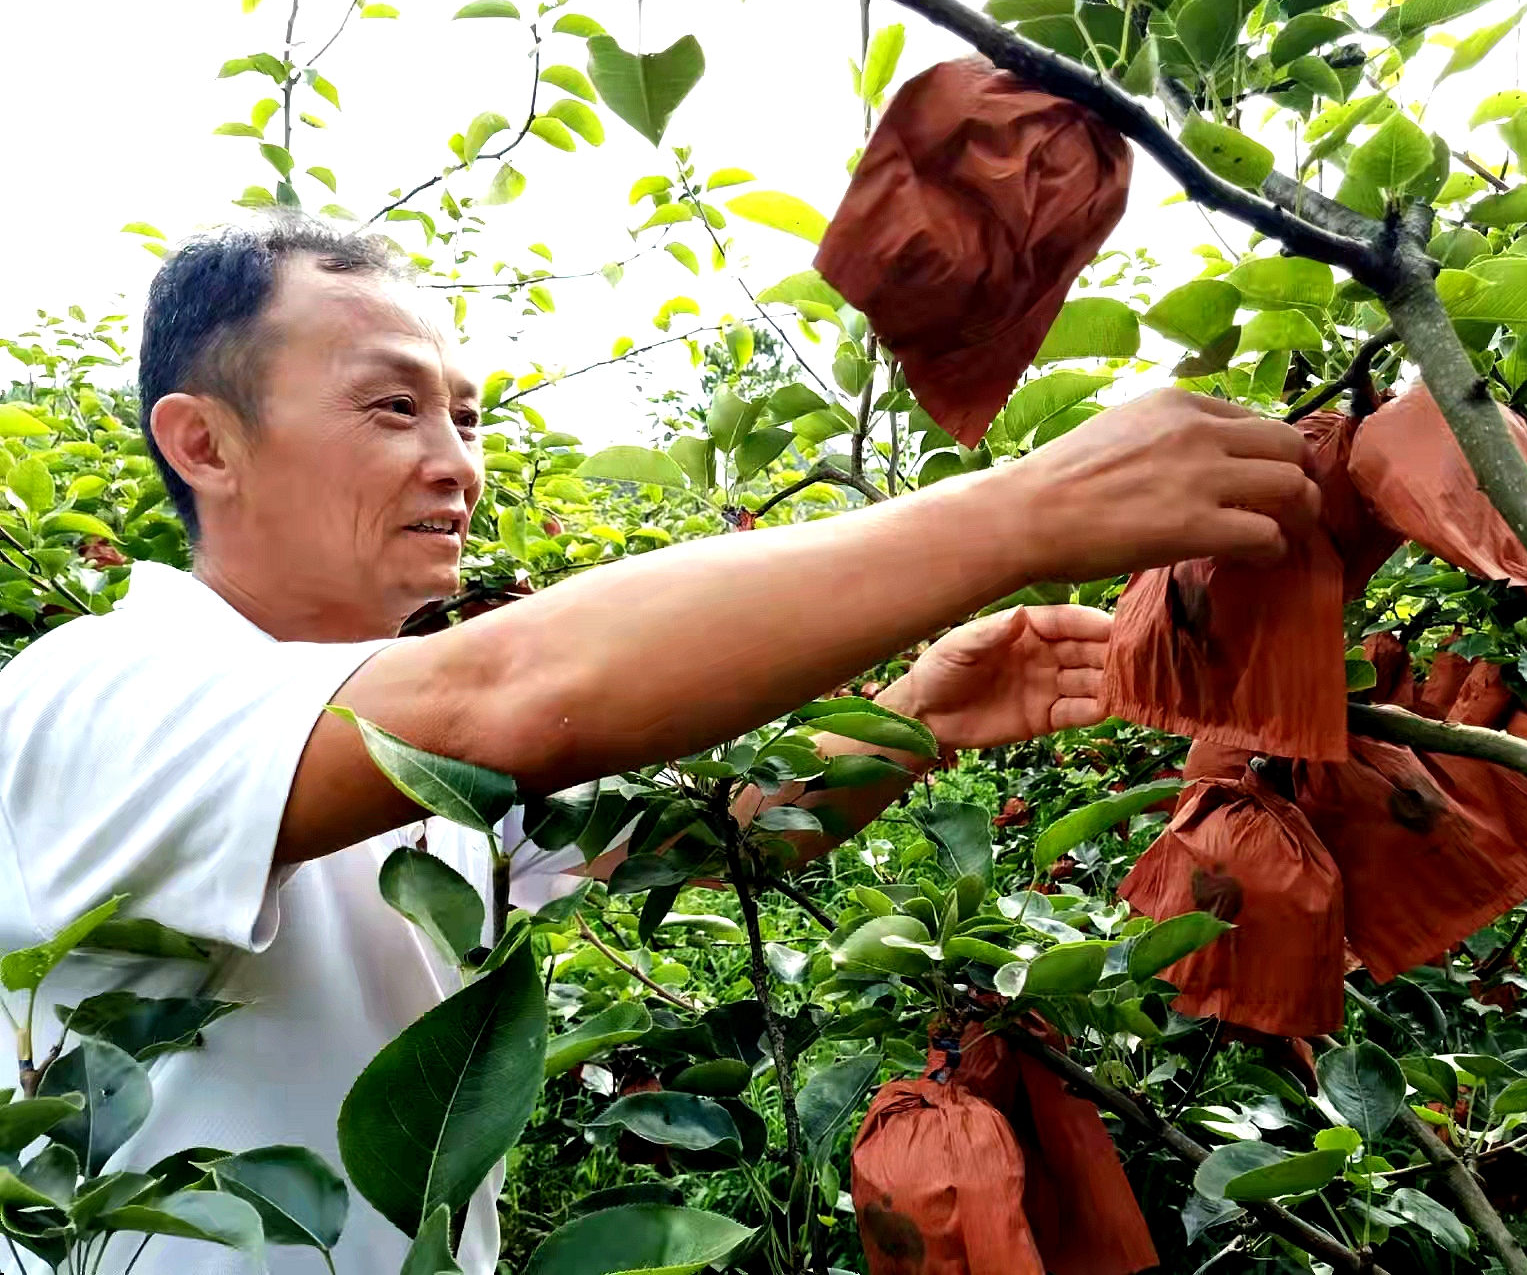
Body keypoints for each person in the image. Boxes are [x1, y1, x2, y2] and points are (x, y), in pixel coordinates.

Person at [0, 215, 1320, 1273]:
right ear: (204, 442)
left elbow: (702, 842)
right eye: (392, 408)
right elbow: (513, 692)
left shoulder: (376, 724)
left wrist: (922, 720)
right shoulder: (105, 695)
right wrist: (1023, 513)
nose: (458, 462)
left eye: (467, 415)